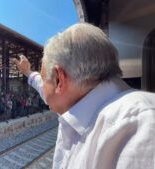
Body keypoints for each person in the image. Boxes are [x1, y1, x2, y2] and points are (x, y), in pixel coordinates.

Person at [14, 23, 155, 169]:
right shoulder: (81, 98)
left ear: (59, 80)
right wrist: (29, 73)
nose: (42, 87)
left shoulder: (140, 127)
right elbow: (50, 92)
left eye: (44, 80)